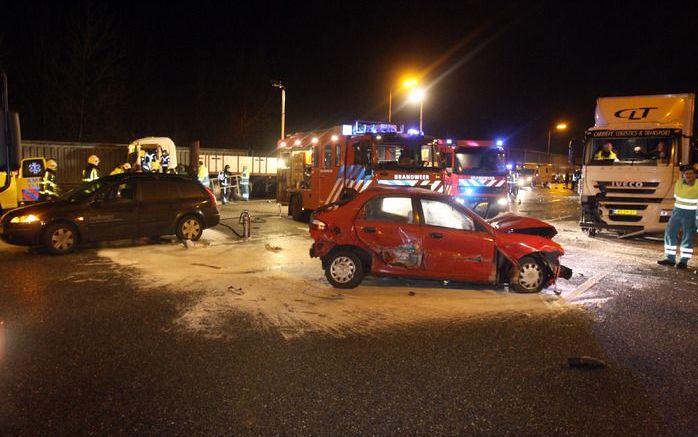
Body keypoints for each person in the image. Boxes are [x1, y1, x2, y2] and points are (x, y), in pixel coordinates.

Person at [658, 165, 698, 269]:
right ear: (683, 175)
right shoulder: (678, 183)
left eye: (691, 173)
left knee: (687, 237)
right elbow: (676, 198)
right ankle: (670, 259)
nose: (688, 175)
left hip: (691, 214)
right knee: (669, 234)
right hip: (677, 213)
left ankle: (684, 261)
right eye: (686, 174)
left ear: (695, 175)